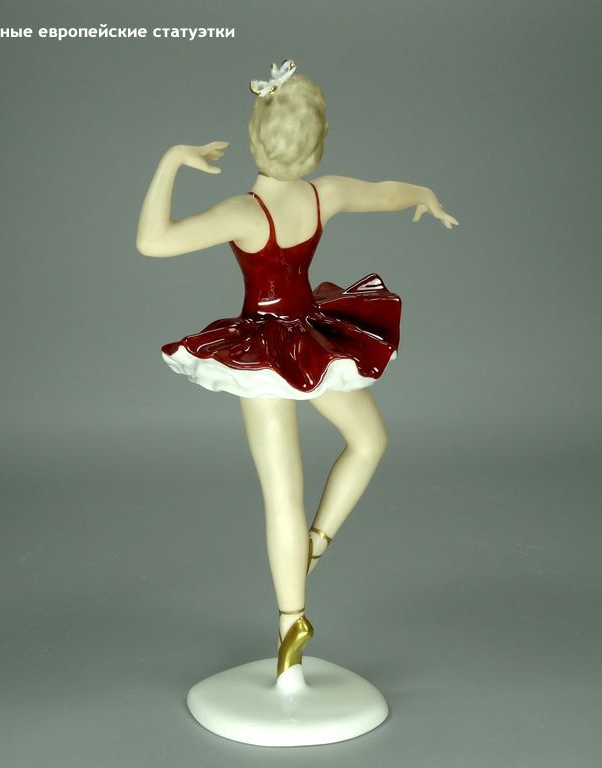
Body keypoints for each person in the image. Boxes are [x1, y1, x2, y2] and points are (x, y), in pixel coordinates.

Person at [136, 60, 457, 683]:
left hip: (262, 350)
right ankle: (317, 542)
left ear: (255, 135)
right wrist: (425, 195)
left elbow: (152, 241)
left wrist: (173, 160)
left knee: (282, 493)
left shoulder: (242, 211)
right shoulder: (323, 194)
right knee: (369, 441)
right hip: (312, 340)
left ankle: (293, 621)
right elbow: (388, 191)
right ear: (316, 143)